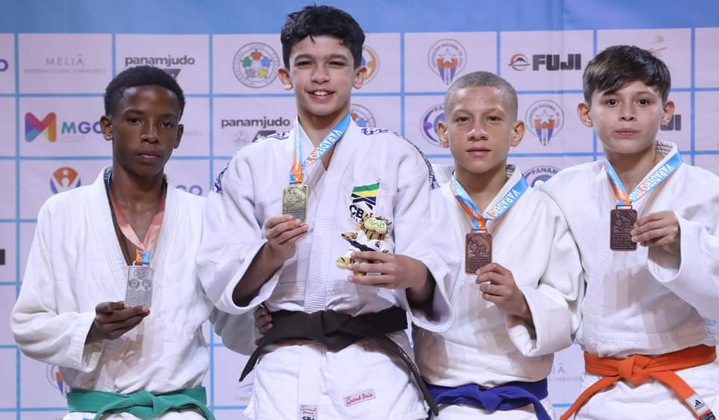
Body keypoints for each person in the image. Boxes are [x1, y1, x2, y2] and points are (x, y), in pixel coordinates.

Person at [196, 5, 456, 420]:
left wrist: (412, 272)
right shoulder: (253, 163)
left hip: (376, 364)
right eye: (305, 64)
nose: (321, 76)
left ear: (359, 73)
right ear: (285, 76)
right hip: (285, 364)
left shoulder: (396, 156)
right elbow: (219, 270)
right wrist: (270, 255)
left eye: (336, 63)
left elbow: (437, 256)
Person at [536, 45, 719, 420]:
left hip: (686, 389)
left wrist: (685, 244)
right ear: (585, 113)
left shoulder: (711, 194)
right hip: (601, 389)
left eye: (643, 101)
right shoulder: (561, 192)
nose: (627, 113)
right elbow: (550, 288)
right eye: (611, 101)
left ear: (667, 111)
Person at [11, 65, 255, 420]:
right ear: (107, 126)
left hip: (178, 412)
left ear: (179, 135)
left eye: (166, 124)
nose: (151, 135)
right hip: (99, 412)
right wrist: (92, 329)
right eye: (135, 120)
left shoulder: (204, 216)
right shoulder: (62, 212)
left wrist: (267, 286)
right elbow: (28, 325)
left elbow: (237, 326)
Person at [411, 71, 583, 420]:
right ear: (443, 132)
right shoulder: (423, 207)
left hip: (521, 404)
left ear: (516, 132)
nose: (478, 131)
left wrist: (521, 302)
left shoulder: (544, 210)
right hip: (441, 402)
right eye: (463, 120)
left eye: (493, 119)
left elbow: (568, 311)